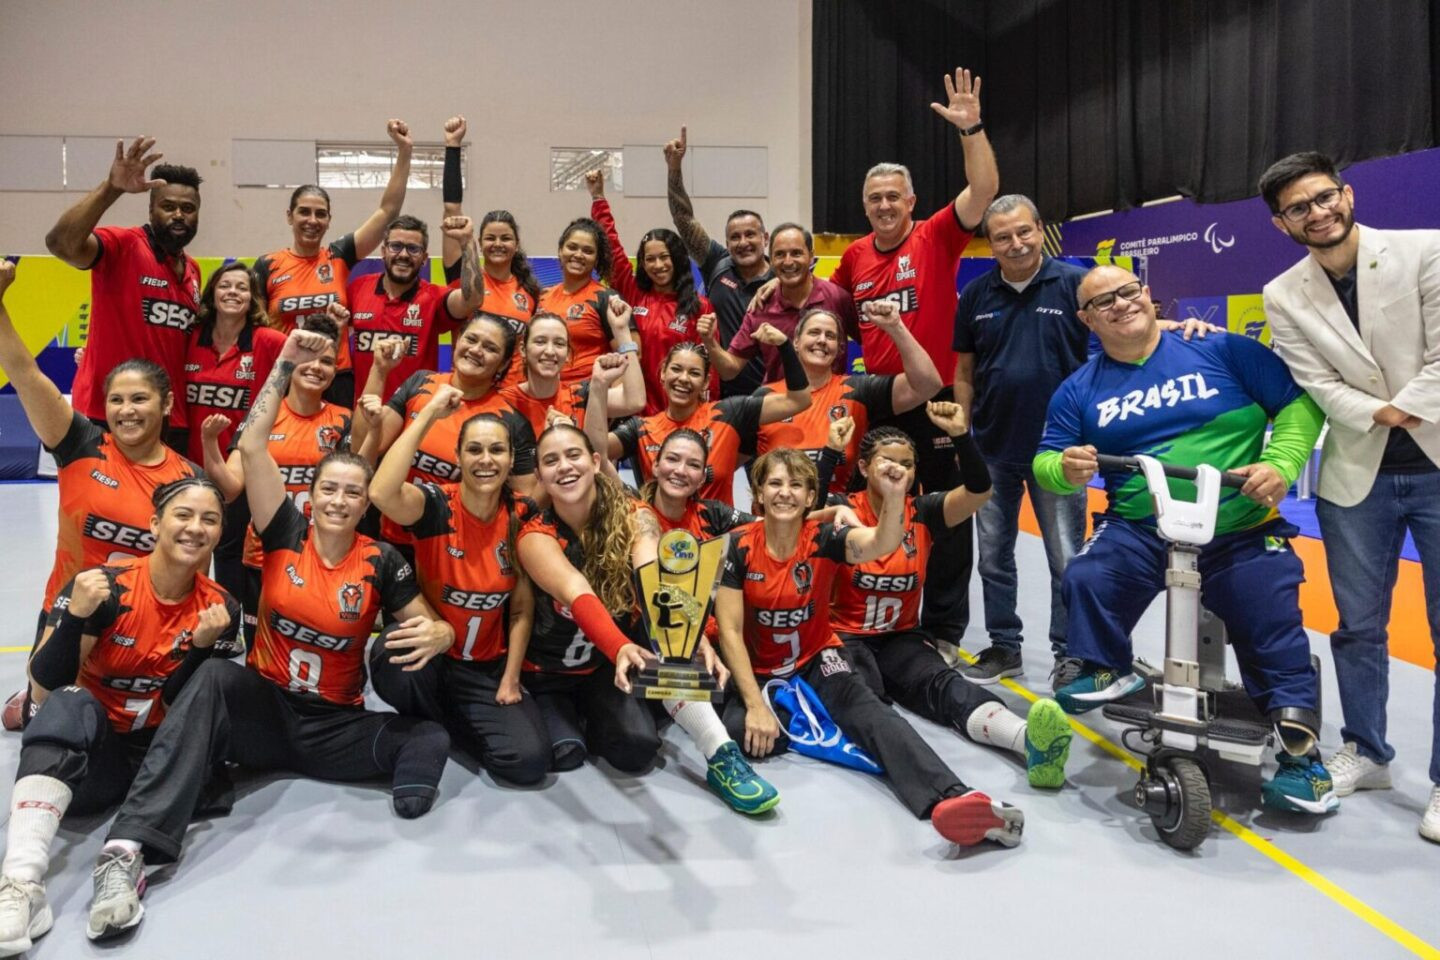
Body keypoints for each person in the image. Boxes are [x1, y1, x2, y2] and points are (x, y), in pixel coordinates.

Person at [86, 330, 456, 941]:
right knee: (213, 677)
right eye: (329, 489)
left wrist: (440, 630)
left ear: (366, 502)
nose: (339, 501)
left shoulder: (381, 560)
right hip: (265, 709)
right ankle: (127, 850)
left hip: (333, 724)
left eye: (353, 492)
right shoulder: (284, 531)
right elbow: (253, 444)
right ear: (311, 494)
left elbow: (425, 621)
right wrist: (282, 363)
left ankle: (368, 787)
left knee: (428, 737)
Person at [1036, 265, 1335, 815]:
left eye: (1128, 291)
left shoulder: (1222, 350)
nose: (1121, 304)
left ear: (1147, 294)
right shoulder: (1078, 390)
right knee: (1086, 576)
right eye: (1103, 302)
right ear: (1086, 319)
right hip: (1140, 528)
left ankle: (1302, 759)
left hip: (1240, 526)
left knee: (1268, 612)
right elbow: (1047, 459)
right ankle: (1104, 665)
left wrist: (1281, 462)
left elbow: (1299, 403)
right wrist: (1065, 468)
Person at [1258, 151, 1440, 841]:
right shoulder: (1283, 293)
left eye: (1324, 197)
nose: (1317, 212)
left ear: (1347, 194)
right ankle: (1366, 750)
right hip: (1356, 478)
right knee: (1358, 628)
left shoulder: (1425, 251)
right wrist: (1380, 414)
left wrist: (1400, 408)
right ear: (1281, 224)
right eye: (1298, 208)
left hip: (1436, 463)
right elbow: (1315, 382)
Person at [713, 447, 1023, 847]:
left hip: (816, 657)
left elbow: (881, 542)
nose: (784, 492)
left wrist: (894, 497)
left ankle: (957, 797)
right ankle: (811, 718)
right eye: (774, 483)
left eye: (796, 485)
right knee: (743, 732)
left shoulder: (824, 538)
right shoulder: (738, 547)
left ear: (810, 496)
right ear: (758, 492)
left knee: (871, 713)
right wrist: (755, 705)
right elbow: (730, 630)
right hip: (758, 668)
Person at [0, 478, 240, 955]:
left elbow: (186, 705)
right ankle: (21, 883)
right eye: (183, 515)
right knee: (69, 700)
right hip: (96, 761)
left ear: (219, 534)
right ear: (155, 524)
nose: (195, 528)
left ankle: (123, 862)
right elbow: (43, 688)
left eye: (209, 520)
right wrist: (73, 617)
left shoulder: (220, 608)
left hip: (162, 765)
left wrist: (200, 649)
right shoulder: (105, 588)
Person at [823, 68, 1000, 648]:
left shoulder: (936, 235)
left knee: (946, 515)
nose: (883, 205)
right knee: (877, 508)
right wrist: (775, 287)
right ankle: (877, 617)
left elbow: (983, 191)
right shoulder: (853, 257)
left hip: (937, 400)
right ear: (864, 205)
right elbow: (825, 303)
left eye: (892, 197)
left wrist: (970, 128)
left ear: (911, 202)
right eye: (874, 198)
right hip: (882, 400)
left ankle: (943, 630)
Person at [517, 424, 779, 814]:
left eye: (573, 455)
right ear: (539, 475)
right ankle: (570, 722)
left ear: (594, 461)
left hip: (604, 669)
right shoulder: (535, 536)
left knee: (637, 749)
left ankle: (722, 756)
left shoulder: (635, 513)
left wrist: (691, 636)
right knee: (559, 753)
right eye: (551, 461)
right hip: (548, 674)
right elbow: (578, 592)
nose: (565, 467)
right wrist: (620, 646)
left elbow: (653, 578)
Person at [820, 408, 1074, 788]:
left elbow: (979, 491)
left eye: (907, 464)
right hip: (843, 637)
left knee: (944, 685)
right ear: (864, 466)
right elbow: (802, 511)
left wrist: (961, 436)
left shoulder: (923, 511)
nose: (897, 468)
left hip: (899, 636)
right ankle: (920, 773)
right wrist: (829, 452)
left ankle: (1029, 741)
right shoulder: (842, 508)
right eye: (887, 460)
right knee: (864, 699)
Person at [0, 262, 202, 648]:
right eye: (116, 400)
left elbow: (192, 574)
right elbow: (26, 375)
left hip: (144, 633)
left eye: (139, 399)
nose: (127, 411)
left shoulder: (190, 481)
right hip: (66, 621)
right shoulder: (79, 443)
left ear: (166, 404)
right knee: (47, 690)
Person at [367, 386, 550, 785]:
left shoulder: (521, 514)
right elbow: (380, 492)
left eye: (497, 450)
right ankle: (435, 717)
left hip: (485, 667)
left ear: (510, 459)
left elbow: (521, 610)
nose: (485, 460)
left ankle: (442, 724)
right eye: (474, 450)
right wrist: (429, 414)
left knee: (529, 761)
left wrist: (511, 677)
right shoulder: (435, 504)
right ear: (458, 456)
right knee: (394, 652)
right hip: (433, 657)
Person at [952, 195, 1091, 688]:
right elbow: (964, 371)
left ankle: (1069, 654)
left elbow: (1111, 350)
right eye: (1002, 237)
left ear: (1039, 229)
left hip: (1059, 453)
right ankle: (1004, 647)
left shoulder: (1075, 285)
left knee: (1067, 560)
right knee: (993, 558)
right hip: (992, 449)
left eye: (1023, 232)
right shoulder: (975, 295)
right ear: (989, 244)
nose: (1015, 244)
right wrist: (963, 436)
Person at [201, 313, 351, 646]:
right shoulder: (263, 417)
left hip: (322, 560)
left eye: (327, 361)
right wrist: (209, 444)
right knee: (261, 651)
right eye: (309, 358)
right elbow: (230, 488)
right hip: (263, 558)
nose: (316, 367)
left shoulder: (345, 420)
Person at [44, 137, 202, 444]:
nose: (178, 215)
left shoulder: (193, 270)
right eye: (168, 206)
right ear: (151, 210)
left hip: (168, 420)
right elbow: (60, 244)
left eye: (188, 208)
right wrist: (111, 188)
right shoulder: (123, 245)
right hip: (107, 414)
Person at [252, 119, 412, 406]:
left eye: (320, 214)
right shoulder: (267, 265)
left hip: (335, 375)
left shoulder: (339, 256)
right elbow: (255, 331)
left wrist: (404, 151)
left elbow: (388, 212)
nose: (312, 220)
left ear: (329, 220)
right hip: (287, 376)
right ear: (289, 216)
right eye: (304, 212)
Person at [353, 313, 537, 545]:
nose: (476, 350)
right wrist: (379, 369)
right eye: (471, 339)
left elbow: (524, 505)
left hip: (454, 549)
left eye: (490, 348)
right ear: (457, 340)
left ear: (503, 363)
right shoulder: (421, 382)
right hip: (392, 538)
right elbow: (362, 449)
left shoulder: (512, 422)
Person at [753, 304, 939, 495]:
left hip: (840, 511)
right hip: (778, 510)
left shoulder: (858, 390)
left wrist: (895, 327)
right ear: (796, 342)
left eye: (830, 336)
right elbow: (735, 458)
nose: (822, 340)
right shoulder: (766, 397)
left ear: (840, 349)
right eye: (814, 332)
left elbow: (927, 385)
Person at [183, 261, 286, 602]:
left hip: (240, 467)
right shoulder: (189, 338)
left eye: (242, 287)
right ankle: (188, 612)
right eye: (225, 285)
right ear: (212, 292)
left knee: (229, 550)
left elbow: (307, 367)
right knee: (189, 544)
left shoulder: (268, 341)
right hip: (189, 465)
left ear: (252, 298)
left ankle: (228, 620)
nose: (233, 292)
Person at [601, 338, 810, 507]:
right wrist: (597, 386)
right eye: (676, 369)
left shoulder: (729, 413)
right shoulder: (641, 428)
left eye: (694, 373)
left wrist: (784, 345)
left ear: (706, 382)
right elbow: (593, 450)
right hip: (659, 539)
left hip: (716, 539)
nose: (684, 378)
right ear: (663, 373)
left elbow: (798, 400)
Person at [586, 169, 716, 413]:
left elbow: (710, 368)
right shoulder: (633, 293)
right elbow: (612, 248)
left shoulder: (699, 306)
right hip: (635, 416)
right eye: (650, 259)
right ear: (643, 264)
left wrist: (705, 414)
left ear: (677, 259)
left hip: (680, 415)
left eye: (664, 257)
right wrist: (598, 198)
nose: (658, 265)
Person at [664, 125, 774, 397]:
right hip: (725, 396)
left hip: (776, 395)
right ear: (726, 243)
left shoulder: (782, 278)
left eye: (750, 234)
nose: (743, 242)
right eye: (735, 237)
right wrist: (674, 169)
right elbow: (684, 220)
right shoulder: (716, 262)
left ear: (765, 238)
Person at [440, 118, 540, 385]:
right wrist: (453, 147)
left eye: (506, 238)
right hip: (466, 390)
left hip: (512, 395)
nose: (498, 244)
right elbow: (451, 209)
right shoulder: (463, 277)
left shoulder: (529, 291)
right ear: (479, 243)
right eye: (490, 238)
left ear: (516, 244)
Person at [345, 213, 484, 402]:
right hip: (364, 410)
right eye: (396, 246)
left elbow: (472, 300)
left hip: (416, 412)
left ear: (424, 258)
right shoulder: (358, 288)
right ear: (383, 251)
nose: (403, 255)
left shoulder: (434, 297)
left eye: (413, 249)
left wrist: (467, 241)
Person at [703, 223, 854, 386]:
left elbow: (868, 340)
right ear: (771, 260)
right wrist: (710, 342)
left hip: (831, 400)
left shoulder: (838, 298)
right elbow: (729, 370)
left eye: (796, 253)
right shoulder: (761, 306)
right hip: (780, 400)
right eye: (780, 254)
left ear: (811, 256)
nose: (788, 262)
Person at [499, 307, 644, 438]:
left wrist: (621, 331)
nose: (550, 351)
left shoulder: (582, 396)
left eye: (559, 343)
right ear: (523, 349)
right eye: (540, 341)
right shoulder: (502, 402)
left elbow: (634, 401)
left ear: (568, 354)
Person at [538, 217, 623, 385]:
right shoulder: (542, 297)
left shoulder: (607, 298)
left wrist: (610, 396)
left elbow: (629, 357)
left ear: (596, 259)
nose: (578, 255)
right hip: (545, 392)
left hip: (588, 394)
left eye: (588, 251)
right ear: (560, 251)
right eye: (572, 247)